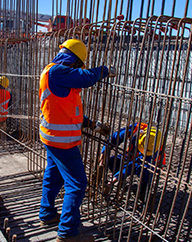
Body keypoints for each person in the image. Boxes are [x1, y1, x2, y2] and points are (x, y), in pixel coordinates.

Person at [38, 38, 115, 242]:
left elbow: (66, 111)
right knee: (78, 184)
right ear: (75, 61)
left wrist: (92, 125)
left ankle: (46, 214)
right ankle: (67, 232)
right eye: (80, 64)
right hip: (62, 142)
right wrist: (105, 70)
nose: (79, 69)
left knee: (54, 175)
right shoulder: (56, 72)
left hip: (52, 138)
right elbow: (86, 78)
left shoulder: (57, 75)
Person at [98, 123, 166, 199]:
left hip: (148, 164)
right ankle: (121, 182)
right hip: (131, 156)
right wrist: (103, 154)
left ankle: (143, 190)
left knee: (146, 173)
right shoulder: (136, 129)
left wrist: (112, 181)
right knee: (112, 161)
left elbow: (133, 165)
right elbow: (114, 137)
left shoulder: (155, 146)